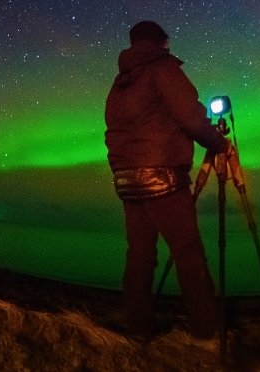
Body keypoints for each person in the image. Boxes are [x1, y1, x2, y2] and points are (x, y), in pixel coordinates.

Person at [104, 20, 227, 340]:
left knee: (140, 254)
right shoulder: (162, 69)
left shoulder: (119, 85)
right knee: (188, 252)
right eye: (167, 42)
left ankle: (138, 326)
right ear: (161, 43)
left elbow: (113, 133)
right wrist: (217, 141)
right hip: (163, 177)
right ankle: (206, 331)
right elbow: (190, 117)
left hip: (127, 180)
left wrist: (121, 170)